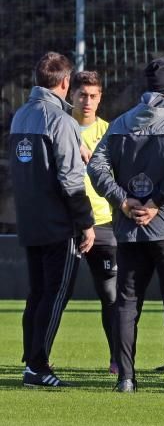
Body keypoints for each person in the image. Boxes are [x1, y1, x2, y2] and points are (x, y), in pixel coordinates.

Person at [88, 58, 164, 393]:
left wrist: (122, 200)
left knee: (127, 302)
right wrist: (156, 202)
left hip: (129, 228)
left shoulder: (121, 123)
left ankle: (126, 378)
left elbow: (96, 167)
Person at [10, 52, 96, 387]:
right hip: (59, 224)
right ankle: (37, 365)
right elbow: (70, 179)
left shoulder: (21, 115)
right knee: (55, 293)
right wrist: (86, 222)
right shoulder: (61, 120)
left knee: (38, 293)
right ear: (64, 83)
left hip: (30, 221)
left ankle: (31, 358)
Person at [70, 70, 118, 374]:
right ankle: (38, 360)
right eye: (82, 95)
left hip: (104, 224)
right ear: (71, 94)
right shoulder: (59, 128)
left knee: (111, 295)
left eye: (93, 96)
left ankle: (117, 360)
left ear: (100, 98)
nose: (87, 101)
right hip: (67, 225)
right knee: (52, 294)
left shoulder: (111, 132)